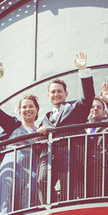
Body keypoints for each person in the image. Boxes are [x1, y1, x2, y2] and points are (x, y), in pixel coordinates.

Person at [36, 52, 96, 202]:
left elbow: (88, 97)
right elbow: (37, 141)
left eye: (59, 91)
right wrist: (39, 133)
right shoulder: (45, 118)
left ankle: (63, 207)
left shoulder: (74, 107)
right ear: (48, 96)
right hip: (49, 155)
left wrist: (83, 70)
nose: (56, 94)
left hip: (70, 152)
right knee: (42, 181)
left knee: (67, 183)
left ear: (66, 94)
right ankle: (51, 205)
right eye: (53, 92)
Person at [0, 76, 41, 214]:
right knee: (7, 198)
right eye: (24, 107)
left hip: (32, 167)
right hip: (12, 165)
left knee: (29, 200)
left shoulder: (41, 129)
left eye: (31, 106)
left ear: (37, 110)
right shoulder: (13, 125)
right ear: (19, 110)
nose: (27, 109)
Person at [84, 96, 108, 198]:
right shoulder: (80, 129)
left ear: (104, 113)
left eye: (98, 107)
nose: (95, 109)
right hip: (84, 172)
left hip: (104, 172)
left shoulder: (107, 128)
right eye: (92, 107)